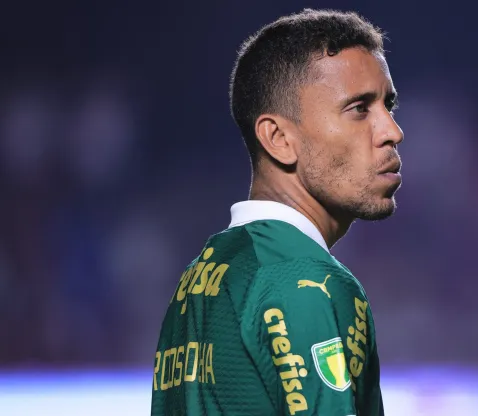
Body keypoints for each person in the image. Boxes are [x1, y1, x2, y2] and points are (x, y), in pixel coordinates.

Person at [151, 8, 403, 416]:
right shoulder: (306, 283)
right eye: (360, 108)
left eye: (388, 105)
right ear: (279, 139)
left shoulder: (200, 277)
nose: (392, 130)